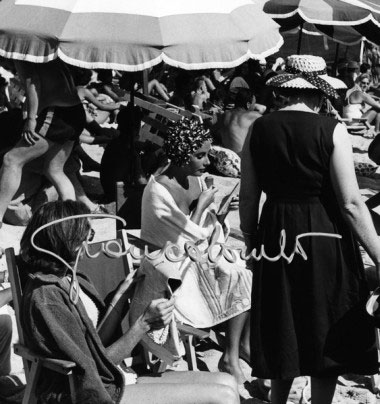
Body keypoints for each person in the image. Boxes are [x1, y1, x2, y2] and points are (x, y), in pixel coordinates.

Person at [240, 54, 380, 404]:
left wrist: (252, 240)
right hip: (324, 234)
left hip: (275, 232)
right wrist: (378, 253)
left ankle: (277, 400)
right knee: (324, 321)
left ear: (286, 91)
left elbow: (248, 196)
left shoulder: (259, 127)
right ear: (320, 94)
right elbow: (350, 202)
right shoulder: (332, 129)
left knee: (282, 319)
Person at [19, 200, 239, 404]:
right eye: (85, 234)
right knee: (223, 398)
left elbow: (97, 343)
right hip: (82, 391)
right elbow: (92, 366)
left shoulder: (74, 278)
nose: (89, 240)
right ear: (64, 240)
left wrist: (122, 295)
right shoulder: (47, 297)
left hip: (112, 376)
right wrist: (143, 324)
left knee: (228, 383)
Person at [138, 118, 252, 384]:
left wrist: (220, 214)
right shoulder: (157, 191)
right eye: (199, 155)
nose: (206, 162)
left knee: (245, 269)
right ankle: (230, 357)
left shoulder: (195, 180)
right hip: (171, 269)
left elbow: (207, 231)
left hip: (197, 256)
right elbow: (180, 242)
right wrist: (201, 207)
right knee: (238, 274)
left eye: (207, 154)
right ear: (180, 154)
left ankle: (241, 347)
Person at [0, 59, 86, 229]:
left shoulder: (21, 51)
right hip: (75, 110)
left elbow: (33, 84)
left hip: (57, 112)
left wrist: (32, 118)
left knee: (12, 160)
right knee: (54, 170)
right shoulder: (42, 50)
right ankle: (76, 222)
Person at [220, 88, 262, 156]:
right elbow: (263, 108)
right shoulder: (252, 115)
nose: (254, 107)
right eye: (254, 104)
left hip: (225, 155)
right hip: (239, 158)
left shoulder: (224, 114)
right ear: (248, 104)